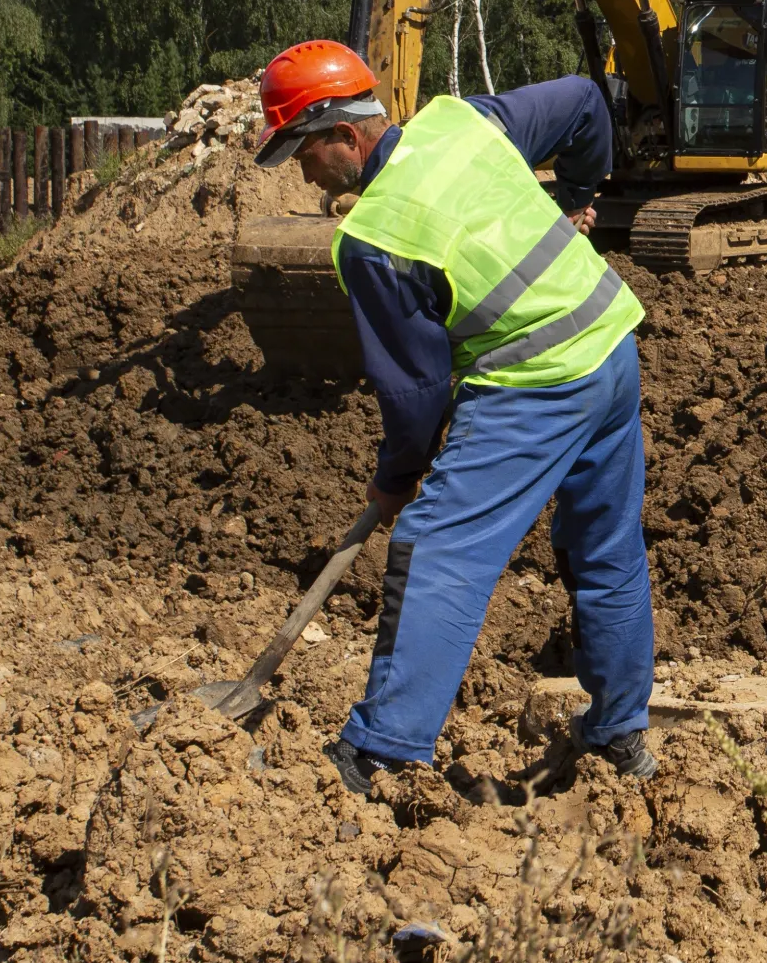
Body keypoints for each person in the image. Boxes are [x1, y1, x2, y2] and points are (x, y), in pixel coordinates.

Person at [251, 40, 656, 791]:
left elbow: (415, 392)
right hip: (608, 346)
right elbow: (583, 101)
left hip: (538, 381)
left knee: (437, 548)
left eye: (304, 152)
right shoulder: (461, 124)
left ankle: (382, 752)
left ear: (345, 134)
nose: (303, 174)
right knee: (606, 551)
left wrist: (397, 478)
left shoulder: (373, 239)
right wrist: (572, 195)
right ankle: (620, 737)